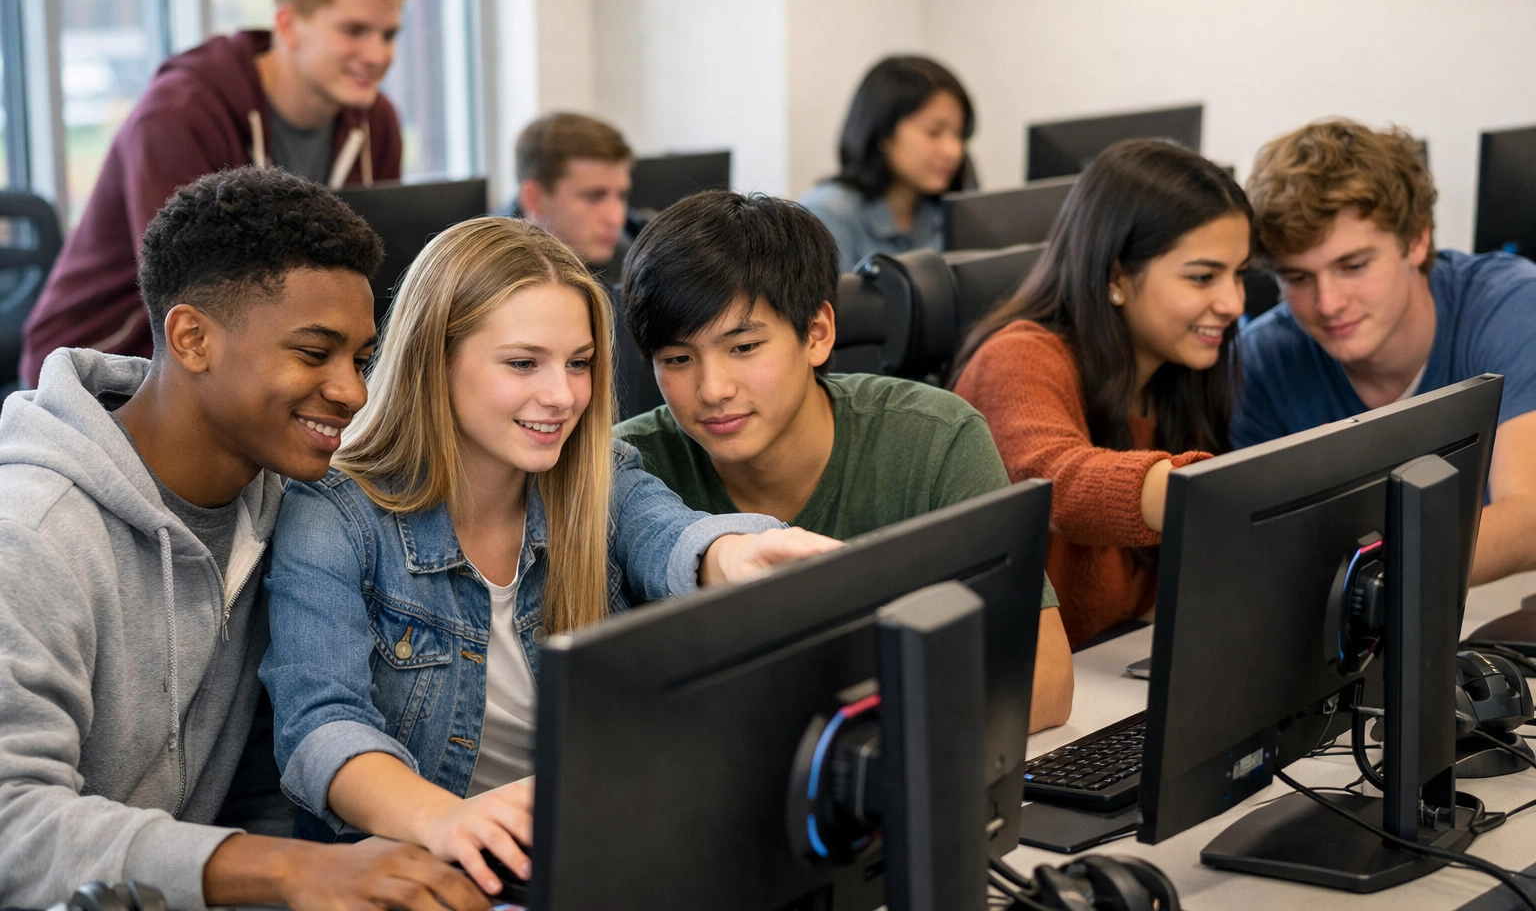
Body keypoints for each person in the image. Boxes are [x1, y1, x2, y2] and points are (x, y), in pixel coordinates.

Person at [261, 216, 838, 897]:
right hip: (429, 877)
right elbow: (320, 728)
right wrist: (450, 820)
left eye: (579, 363)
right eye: (523, 363)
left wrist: (736, 554)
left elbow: (671, 534)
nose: (562, 396)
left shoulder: (595, 477)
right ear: (434, 361)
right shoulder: (334, 514)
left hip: (600, 858)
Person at [0, 166, 499, 911]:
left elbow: (265, 775)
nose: (355, 392)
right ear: (192, 337)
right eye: (313, 352)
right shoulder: (32, 532)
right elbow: (13, 825)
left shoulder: (290, 504)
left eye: (361, 359)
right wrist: (290, 872)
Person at [614, 190, 1073, 730]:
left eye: (743, 348)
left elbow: (1043, 681)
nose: (712, 389)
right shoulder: (627, 472)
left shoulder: (935, 439)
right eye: (677, 358)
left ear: (817, 333)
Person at [21, 0, 406, 386]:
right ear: (287, 25)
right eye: (355, 31)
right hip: (109, 362)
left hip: (266, 357)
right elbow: (192, 293)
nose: (378, 55)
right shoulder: (180, 114)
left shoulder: (374, 120)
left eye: (389, 34)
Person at [951, 141, 1250, 648]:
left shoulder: (1179, 374)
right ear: (1116, 276)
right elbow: (1060, 483)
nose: (1234, 303)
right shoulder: (1018, 358)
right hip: (1028, 693)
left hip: (1112, 672)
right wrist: (1216, 492)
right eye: (1203, 277)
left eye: (1240, 274)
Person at [1233, 118, 1536, 587]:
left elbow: (1529, 520)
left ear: (1416, 239)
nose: (1328, 304)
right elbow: (1250, 551)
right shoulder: (1261, 362)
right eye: (1297, 278)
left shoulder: (1510, 307)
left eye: (1353, 266)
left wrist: (1368, 585)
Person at [799, 55, 975, 272]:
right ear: (883, 132)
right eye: (934, 132)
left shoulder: (943, 210)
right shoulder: (827, 215)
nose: (953, 151)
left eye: (958, 134)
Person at [497, 112, 635, 285]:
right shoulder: (483, 278)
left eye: (622, 196)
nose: (617, 219)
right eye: (594, 197)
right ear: (534, 198)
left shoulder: (627, 261)